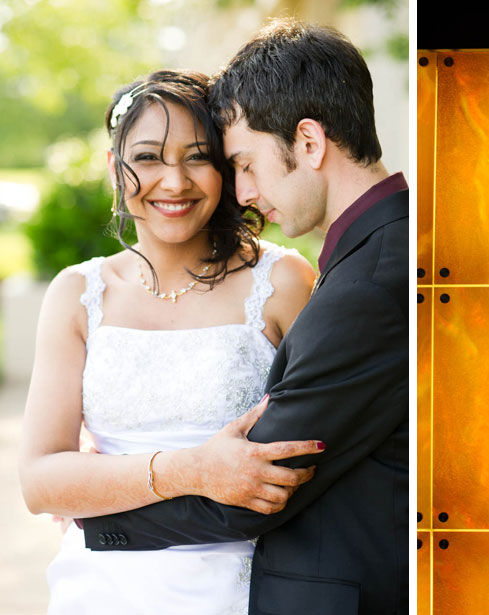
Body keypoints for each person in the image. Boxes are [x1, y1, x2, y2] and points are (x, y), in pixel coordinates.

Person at [80, 19, 409, 615]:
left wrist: (94, 511)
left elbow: (267, 477)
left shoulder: (369, 279)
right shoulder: (375, 252)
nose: (243, 191)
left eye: (245, 163)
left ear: (308, 143)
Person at [18, 70, 324, 613]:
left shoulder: (281, 283)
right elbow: (41, 481)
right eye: (150, 157)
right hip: (101, 588)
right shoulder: (78, 294)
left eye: (198, 156)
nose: (175, 182)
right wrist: (190, 469)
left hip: (253, 582)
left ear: (225, 168)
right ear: (117, 168)